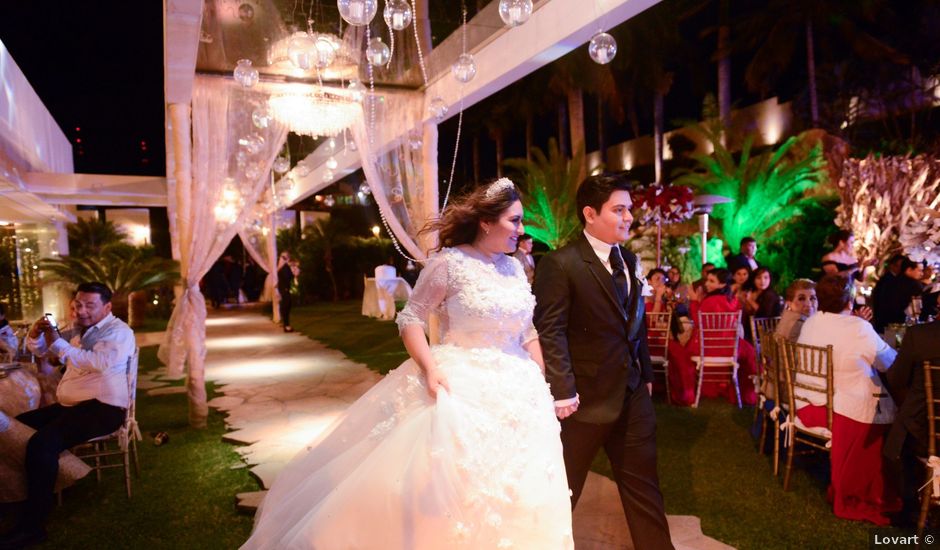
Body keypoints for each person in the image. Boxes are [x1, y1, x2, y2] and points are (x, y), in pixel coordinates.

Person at [242, 178, 573, 549]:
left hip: (521, 393)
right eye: (514, 221)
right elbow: (411, 317)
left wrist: (540, 372)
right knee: (459, 487)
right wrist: (431, 368)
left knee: (524, 485)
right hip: (462, 385)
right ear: (486, 222)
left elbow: (526, 328)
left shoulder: (514, 269)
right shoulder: (450, 263)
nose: (522, 230)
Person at [533, 174, 673, 550]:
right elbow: (551, 330)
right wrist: (563, 392)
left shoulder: (627, 259)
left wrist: (644, 374)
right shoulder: (560, 264)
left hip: (632, 395)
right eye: (619, 209)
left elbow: (635, 324)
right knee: (564, 490)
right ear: (590, 213)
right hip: (582, 401)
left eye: (630, 209)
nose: (629, 217)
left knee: (644, 486)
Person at [0, 283, 135, 548]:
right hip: (74, 406)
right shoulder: (78, 330)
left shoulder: (118, 332)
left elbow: (97, 362)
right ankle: (20, 494)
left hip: (104, 407)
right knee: (15, 429)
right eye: (78, 305)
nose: (81, 311)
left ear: (107, 307)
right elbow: (44, 354)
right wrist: (38, 336)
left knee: (42, 443)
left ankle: (33, 526)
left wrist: (59, 343)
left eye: (89, 306)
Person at [796, 274, 900, 526]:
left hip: (808, 404)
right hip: (837, 409)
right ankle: (874, 491)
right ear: (850, 298)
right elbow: (890, 363)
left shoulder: (813, 321)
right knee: (886, 411)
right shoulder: (857, 328)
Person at [884, 318, 940, 527]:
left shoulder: (920, 335)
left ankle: (912, 511)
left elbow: (896, 379)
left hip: (926, 434)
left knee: (899, 435)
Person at [686, 268, 758, 406]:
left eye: (711, 281)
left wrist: (695, 301)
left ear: (722, 285)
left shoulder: (708, 301)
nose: (707, 283)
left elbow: (698, 323)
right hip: (730, 347)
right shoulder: (733, 301)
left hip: (708, 348)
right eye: (708, 280)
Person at [872, 257, 925, 333]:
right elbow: (916, 310)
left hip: (885, 325)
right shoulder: (914, 285)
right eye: (919, 270)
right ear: (909, 270)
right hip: (901, 327)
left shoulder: (892, 281)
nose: (921, 274)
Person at [743, 267, 783, 342]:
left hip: (767, 331)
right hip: (754, 328)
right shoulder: (754, 292)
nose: (762, 281)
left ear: (770, 279)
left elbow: (764, 314)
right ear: (754, 280)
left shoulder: (770, 294)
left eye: (766, 278)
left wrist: (750, 301)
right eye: (758, 278)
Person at [276, 252, 300, 333]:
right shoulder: (284, 268)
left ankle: (286, 325)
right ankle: (286, 325)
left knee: (287, 306)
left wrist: (294, 272)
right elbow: (288, 277)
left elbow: (289, 276)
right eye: (287, 257)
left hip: (284, 288)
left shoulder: (284, 267)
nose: (289, 259)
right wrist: (294, 273)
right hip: (284, 289)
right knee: (286, 306)